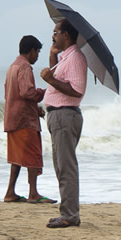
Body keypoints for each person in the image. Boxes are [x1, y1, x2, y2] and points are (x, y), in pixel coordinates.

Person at [39, 19, 87, 228]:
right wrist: (52, 56)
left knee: (66, 166)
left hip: (65, 115)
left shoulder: (75, 58)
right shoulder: (65, 58)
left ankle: (69, 215)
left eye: (56, 32)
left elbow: (77, 90)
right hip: (59, 116)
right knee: (60, 165)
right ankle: (67, 212)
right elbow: (59, 78)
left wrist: (49, 80)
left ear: (66, 34)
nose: (53, 35)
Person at [3, 35, 54, 204]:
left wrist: (34, 108)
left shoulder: (12, 67)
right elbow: (27, 92)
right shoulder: (25, 67)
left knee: (17, 157)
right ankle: (33, 193)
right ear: (31, 51)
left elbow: (12, 94)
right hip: (25, 120)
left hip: (13, 118)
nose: (38, 56)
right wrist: (44, 92)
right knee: (33, 155)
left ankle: (10, 192)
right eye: (37, 52)